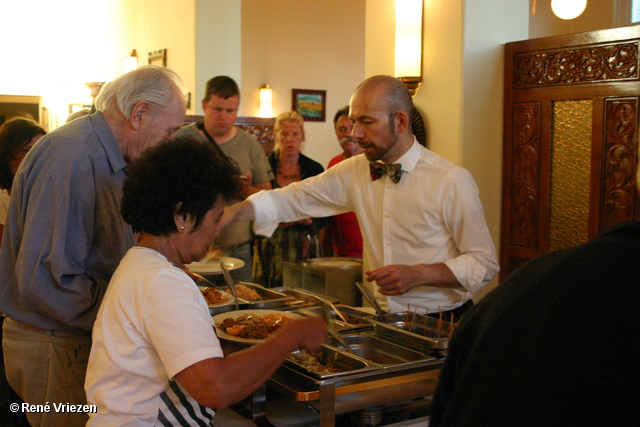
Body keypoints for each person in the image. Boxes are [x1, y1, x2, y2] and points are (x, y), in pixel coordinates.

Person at [84, 136, 326, 425]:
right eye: (215, 219)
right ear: (183, 216)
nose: (216, 232)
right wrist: (292, 335)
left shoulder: (140, 262)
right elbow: (216, 388)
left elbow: (178, 357)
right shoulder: (164, 281)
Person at [0, 65, 186, 427]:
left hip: (65, 339)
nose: (170, 141)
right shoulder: (72, 156)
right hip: (56, 344)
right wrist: (127, 307)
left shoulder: (101, 153)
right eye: (171, 131)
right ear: (140, 113)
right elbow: (45, 281)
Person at [224, 75, 499, 319]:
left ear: (400, 121)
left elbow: (483, 262)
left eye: (367, 122)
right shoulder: (354, 172)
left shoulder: (451, 181)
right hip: (382, 318)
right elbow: (295, 197)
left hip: (445, 321)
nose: (355, 134)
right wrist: (232, 213)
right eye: (354, 122)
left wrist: (420, 274)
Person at [429, 182, 640, 425]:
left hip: (450, 312)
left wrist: (420, 274)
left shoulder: (519, 288)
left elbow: (482, 263)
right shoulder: (514, 298)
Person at [176, 76, 273, 283]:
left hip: (236, 248)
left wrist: (243, 190)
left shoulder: (249, 144)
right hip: (190, 249)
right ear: (204, 105)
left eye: (230, 111)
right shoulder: (182, 140)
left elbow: (268, 194)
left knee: (240, 309)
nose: (223, 117)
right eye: (217, 109)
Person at [0, 116, 44, 427]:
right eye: (27, 150)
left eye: (41, 150)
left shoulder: (31, 194)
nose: (34, 159)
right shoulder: (3, 199)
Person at [252, 111, 329, 287]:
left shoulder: (314, 169)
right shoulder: (263, 167)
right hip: (271, 242)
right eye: (284, 134)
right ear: (276, 136)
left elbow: (328, 208)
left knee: (307, 293)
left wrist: (310, 219)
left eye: (295, 134)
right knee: (268, 292)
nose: (290, 139)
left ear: (302, 137)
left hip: (304, 242)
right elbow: (254, 203)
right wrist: (274, 217)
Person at [324, 105, 364, 258]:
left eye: (351, 127)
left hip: (367, 250)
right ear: (336, 134)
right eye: (342, 129)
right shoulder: (333, 164)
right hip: (340, 251)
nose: (348, 133)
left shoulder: (375, 163)